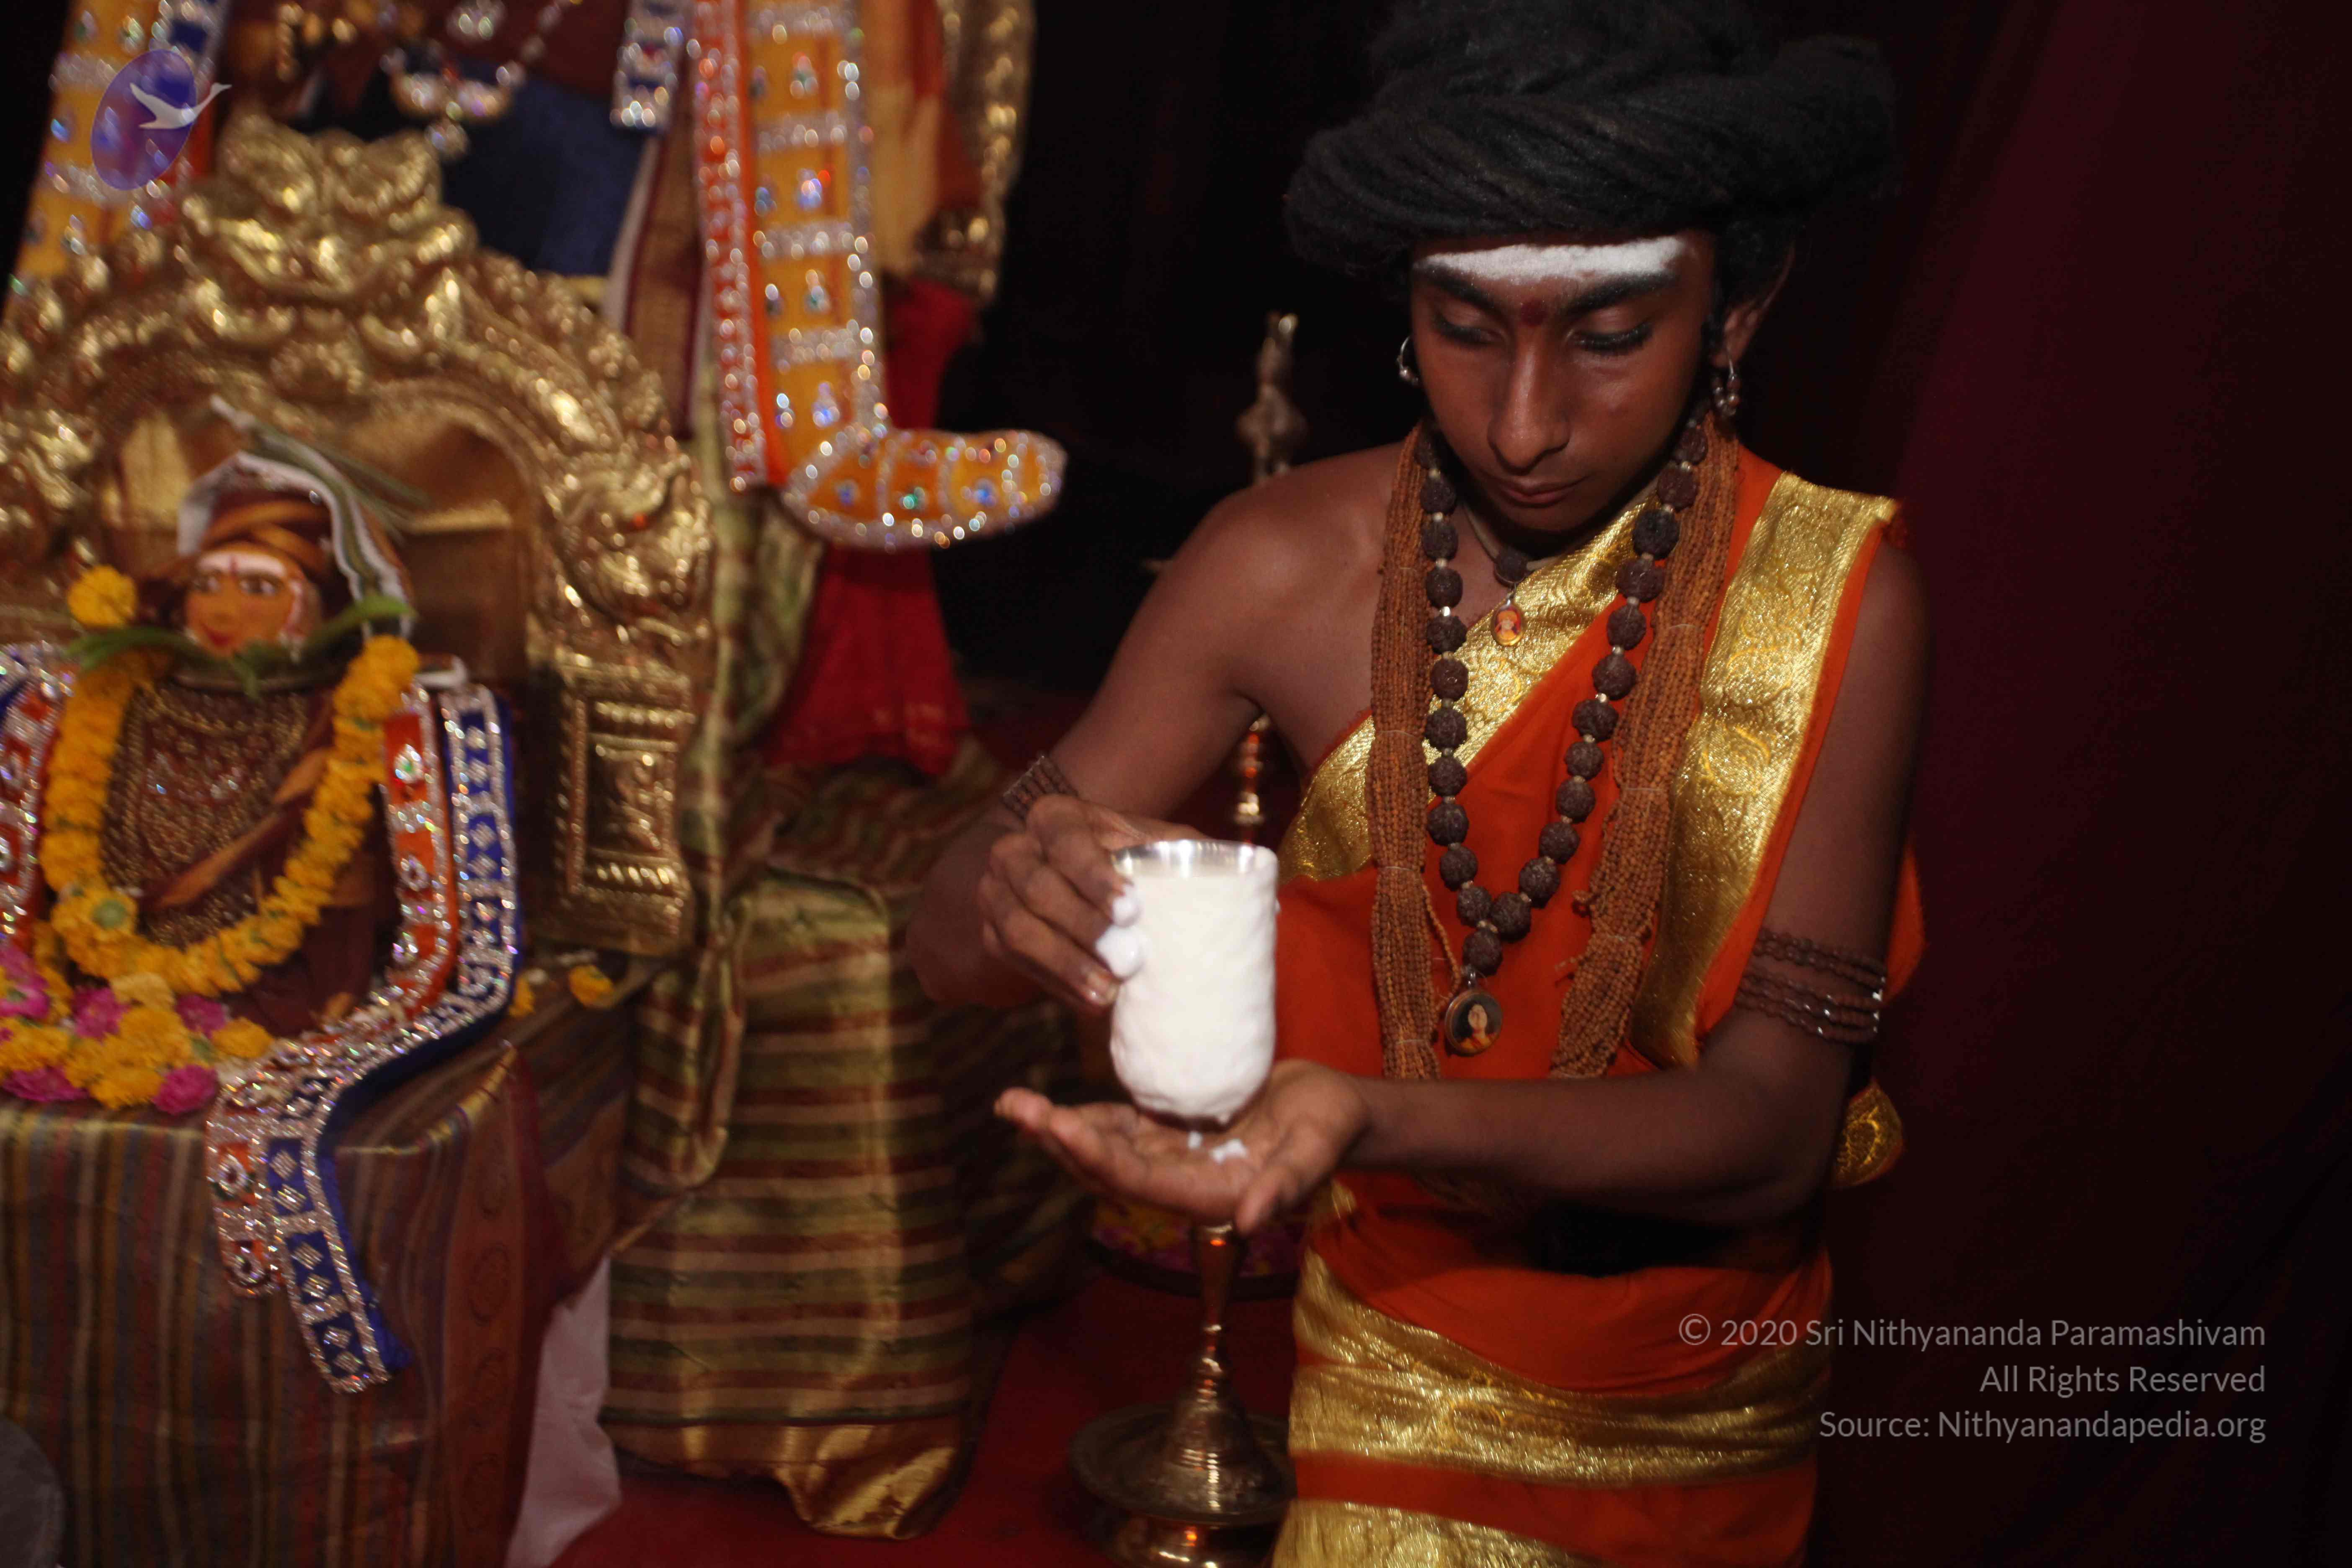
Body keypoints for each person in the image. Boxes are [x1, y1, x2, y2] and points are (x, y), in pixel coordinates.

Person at [907, 1, 1926, 1561]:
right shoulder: (1281, 565)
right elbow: (943, 942)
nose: (1524, 424)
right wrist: (1017, 899)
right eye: (1464, 327)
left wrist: (1362, 1122)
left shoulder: (1834, 597)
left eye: (1608, 338)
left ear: (1736, 312)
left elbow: (1775, 1131)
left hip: (1712, 1410)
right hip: (1391, 1391)